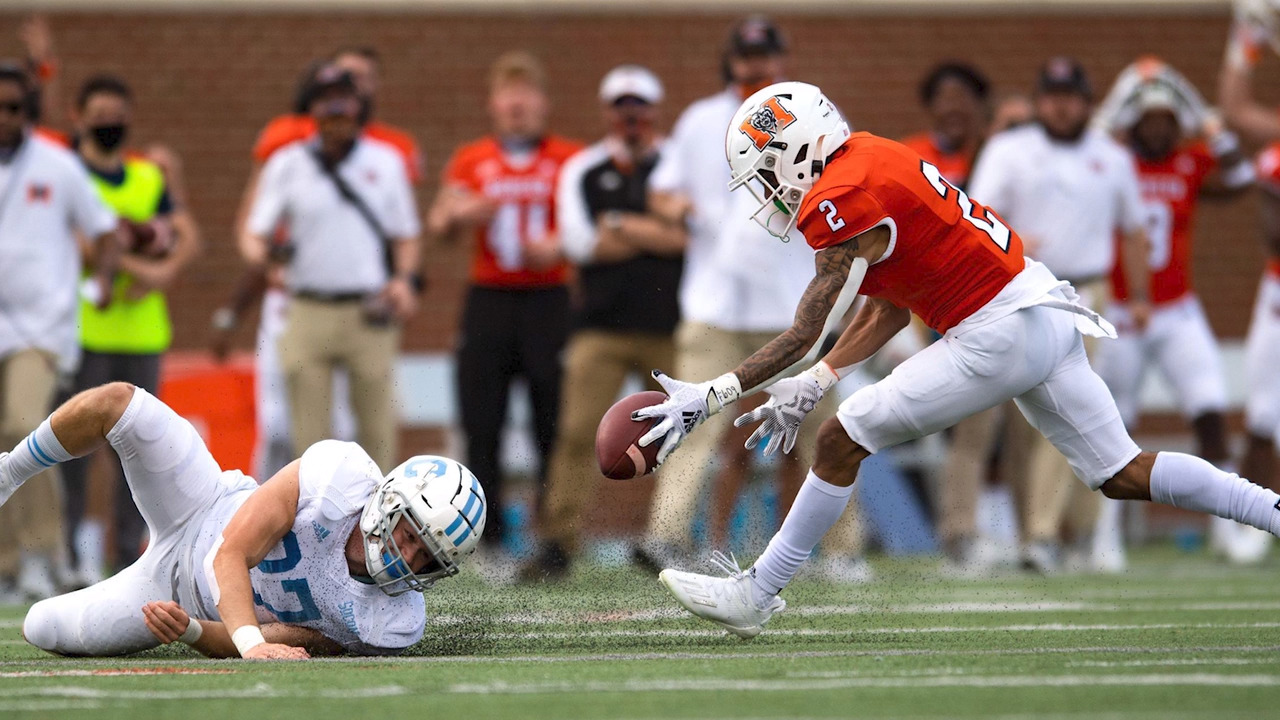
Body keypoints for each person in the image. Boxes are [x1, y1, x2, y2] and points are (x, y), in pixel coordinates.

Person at [645, 81, 1280, 639]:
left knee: (842, 438)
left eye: (766, 171)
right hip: (1041, 312)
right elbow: (891, 306)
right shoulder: (872, 155)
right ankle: (1271, 511)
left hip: (996, 329)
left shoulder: (838, 194)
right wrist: (823, 375)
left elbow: (805, 328)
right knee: (1122, 471)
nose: (769, 191)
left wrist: (710, 394)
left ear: (798, 149)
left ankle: (758, 592)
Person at [0, 381, 484, 657]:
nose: (409, 556)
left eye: (428, 559)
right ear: (389, 500)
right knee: (118, 403)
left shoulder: (390, 622)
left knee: (41, 627)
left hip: (175, 594)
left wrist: (188, 629)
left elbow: (270, 641)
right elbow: (232, 550)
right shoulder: (341, 475)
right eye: (411, 533)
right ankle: (7, 473)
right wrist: (252, 643)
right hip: (202, 503)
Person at [634, 16, 866, 582]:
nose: (755, 67)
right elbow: (662, 192)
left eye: (765, 56)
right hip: (715, 302)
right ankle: (664, 538)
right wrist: (689, 213)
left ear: (781, 59)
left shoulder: (812, 112)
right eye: (746, 56)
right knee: (691, 418)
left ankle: (842, 549)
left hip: (792, 306)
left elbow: (851, 184)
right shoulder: (701, 120)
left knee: (821, 427)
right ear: (731, 60)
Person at [966, 57, 1151, 573]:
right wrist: (1016, 241)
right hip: (1022, 288)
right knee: (1026, 423)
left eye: (1070, 95)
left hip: (1085, 294)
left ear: (1087, 102)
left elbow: (1134, 229)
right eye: (1052, 94)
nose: (1061, 104)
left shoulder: (1111, 156)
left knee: (1069, 411)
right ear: (1039, 98)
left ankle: (1048, 534)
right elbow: (971, 214)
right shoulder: (1010, 149)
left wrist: (1140, 294)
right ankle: (1044, 533)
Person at [518, 65, 686, 581]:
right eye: (621, 106)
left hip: (674, 325)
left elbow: (690, 238)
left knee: (686, 435)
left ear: (654, 112)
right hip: (600, 325)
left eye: (639, 107)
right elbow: (579, 243)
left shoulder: (679, 164)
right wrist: (652, 229)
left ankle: (668, 540)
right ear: (607, 112)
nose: (631, 116)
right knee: (575, 432)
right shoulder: (584, 169)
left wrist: (617, 223)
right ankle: (558, 543)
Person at [1093, 59, 1260, 563]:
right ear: (1133, 122)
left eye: (1168, 118)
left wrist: (1204, 117)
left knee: (1210, 409)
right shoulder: (1114, 160)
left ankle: (1227, 529)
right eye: (1149, 118)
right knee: (1114, 423)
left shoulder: (1188, 163)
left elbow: (1243, 174)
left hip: (1178, 310)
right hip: (1123, 311)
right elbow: (1090, 147)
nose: (1159, 127)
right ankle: (1106, 535)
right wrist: (1120, 94)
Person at [425, 52, 580, 569]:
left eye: (526, 94)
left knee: (551, 420)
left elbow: (590, 228)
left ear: (543, 104)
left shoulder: (568, 158)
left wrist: (561, 242)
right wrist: (459, 212)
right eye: (507, 95)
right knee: (481, 420)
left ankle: (551, 537)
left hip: (547, 300)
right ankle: (484, 538)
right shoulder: (471, 160)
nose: (517, 105)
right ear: (494, 105)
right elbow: (439, 222)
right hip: (489, 299)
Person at [241, 66, 422, 471]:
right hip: (308, 306)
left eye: (344, 99)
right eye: (326, 101)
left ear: (359, 106)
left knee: (377, 428)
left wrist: (404, 281)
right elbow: (256, 232)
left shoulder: (385, 161)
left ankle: (378, 523)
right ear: (312, 109)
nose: (336, 110)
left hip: (369, 307)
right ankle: (317, 528)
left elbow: (405, 234)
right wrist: (265, 259)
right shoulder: (287, 164)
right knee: (309, 439)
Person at [61, 74, 201, 584]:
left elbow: (185, 237)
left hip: (141, 334)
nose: (109, 124)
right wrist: (146, 264)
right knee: (72, 450)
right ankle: (69, 552)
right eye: (99, 115)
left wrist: (161, 265)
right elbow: (86, 248)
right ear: (78, 117)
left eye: (117, 115)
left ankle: (128, 557)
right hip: (85, 331)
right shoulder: (68, 174)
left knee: (138, 454)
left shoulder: (147, 176)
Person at [0, 61, 120, 603]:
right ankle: (8, 563)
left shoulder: (57, 164)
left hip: (40, 326)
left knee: (21, 425)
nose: (5, 117)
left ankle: (44, 554)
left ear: (30, 112)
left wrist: (103, 286)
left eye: (14, 108)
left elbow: (105, 230)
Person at [1218, 1, 1280, 556]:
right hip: (1277, 290)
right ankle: (1260, 525)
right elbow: (1235, 108)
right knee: (1262, 414)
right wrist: (1248, 37)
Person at [900, 62, 990, 190]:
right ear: (930, 106)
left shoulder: (992, 152)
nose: (955, 108)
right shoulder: (911, 155)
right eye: (947, 100)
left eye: (962, 98)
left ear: (978, 104)